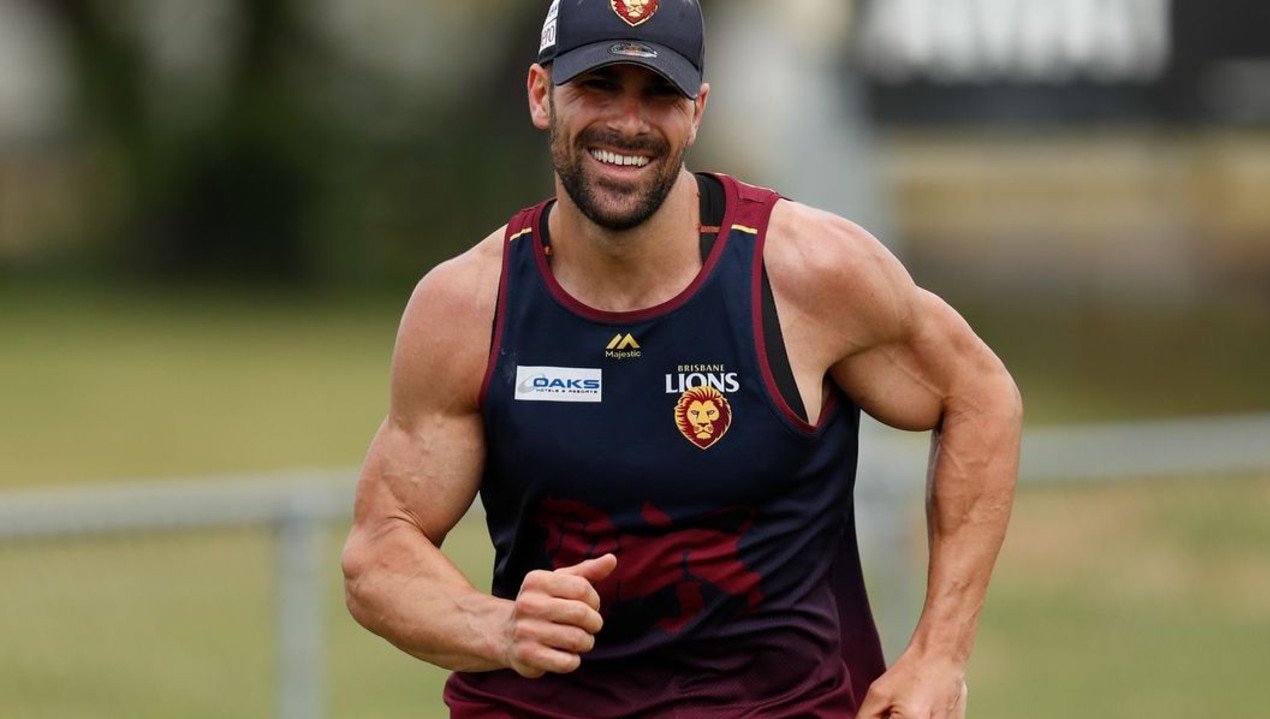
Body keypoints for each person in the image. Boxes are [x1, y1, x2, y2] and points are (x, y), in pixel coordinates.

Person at [341, 0, 1022, 716]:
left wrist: (939, 653)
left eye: (658, 93)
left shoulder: (807, 272)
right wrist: (499, 625)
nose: (627, 124)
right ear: (541, 94)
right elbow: (378, 554)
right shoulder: (468, 306)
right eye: (598, 86)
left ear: (695, 112)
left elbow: (980, 395)